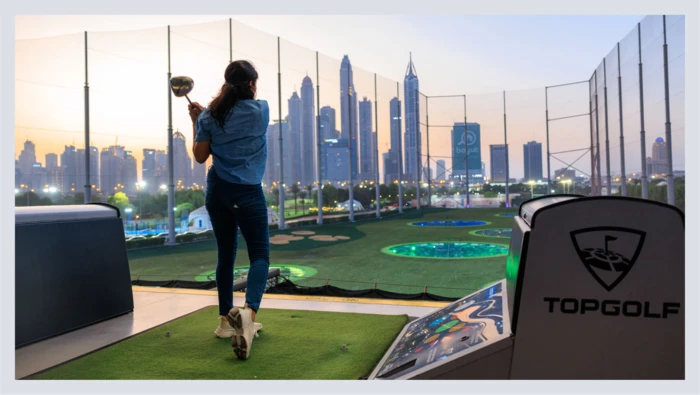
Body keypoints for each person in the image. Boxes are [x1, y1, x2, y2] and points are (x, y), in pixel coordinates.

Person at [187, 60, 270, 361]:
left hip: (218, 191)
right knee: (259, 254)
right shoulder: (261, 110)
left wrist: (198, 121)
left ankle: (225, 321)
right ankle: (248, 313)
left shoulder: (209, 115)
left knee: (226, 254)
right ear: (251, 84)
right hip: (247, 192)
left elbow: (200, 156)